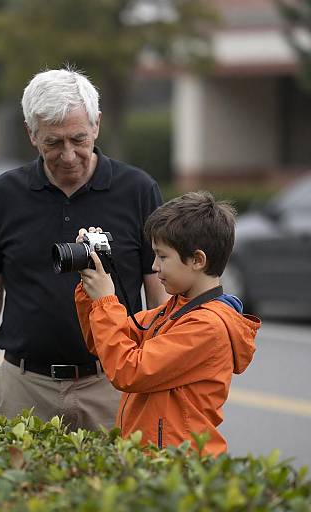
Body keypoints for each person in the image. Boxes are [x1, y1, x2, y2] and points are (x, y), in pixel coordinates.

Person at [0, 67, 168, 431]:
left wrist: (158, 388)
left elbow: (160, 297)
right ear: (31, 134)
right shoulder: (5, 194)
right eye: (53, 143)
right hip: (25, 387)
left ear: (97, 125)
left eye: (78, 139)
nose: (69, 155)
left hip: (113, 385)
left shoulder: (138, 190)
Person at [75, 191, 261, 454]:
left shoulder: (208, 327)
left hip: (176, 464)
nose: (154, 266)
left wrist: (106, 300)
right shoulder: (175, 310)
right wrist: (90, 289)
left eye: (162, 256)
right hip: (152, 456)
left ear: (197, 260)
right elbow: (103, 343)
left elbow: (128, 371)